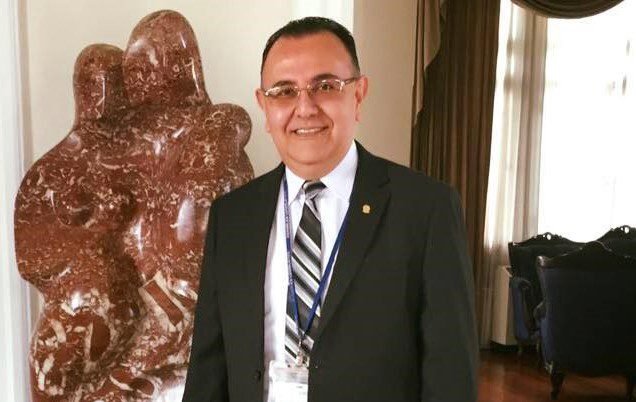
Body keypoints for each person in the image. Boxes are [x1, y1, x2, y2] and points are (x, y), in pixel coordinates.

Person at [183, 16, 478, 402]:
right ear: (264, 105)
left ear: (358, 95)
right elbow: (208, 370)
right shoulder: (233, 216)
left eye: (325, 86)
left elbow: (451, 377)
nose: (305, 108)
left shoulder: (426, 210)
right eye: (284, 91)